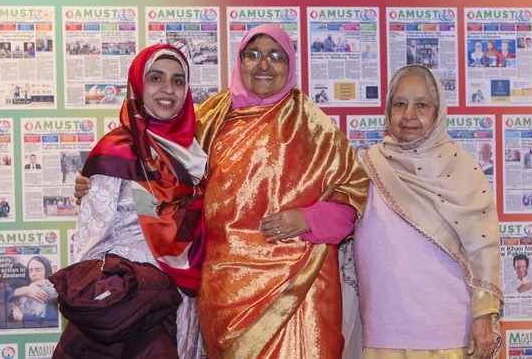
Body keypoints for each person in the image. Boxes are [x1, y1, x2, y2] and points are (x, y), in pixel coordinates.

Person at [74, 26, 369, 358]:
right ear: (239, 62)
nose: (263, 65)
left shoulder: (316, 128)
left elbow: (353, 191)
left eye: (276, 56)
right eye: (253, 54)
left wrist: (309, 218)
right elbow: (164, 163)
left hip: (296, 287)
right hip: (219, 287)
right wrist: (98, 179)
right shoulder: (212, 116)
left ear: (291, 66)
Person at [65, 44, 207, 359]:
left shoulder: (197, 154)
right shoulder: (116, 151)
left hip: (186, 304)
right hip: (133, 308)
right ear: (139, 86)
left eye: (178, 80)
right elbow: (90, 245)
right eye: (156, 78)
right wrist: (99, 305)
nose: (168, 89)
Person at [354, 65, 503, 359]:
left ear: (437, 112)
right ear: (388, 110)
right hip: (384, 335)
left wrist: (484, 315)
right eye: (400, 104)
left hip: (447, 337)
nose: (409, 114)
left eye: (421, 105)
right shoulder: (366, 167)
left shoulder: (462, 170)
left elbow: (483, 248)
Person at [9, 256, 58, 323]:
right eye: (30, 271)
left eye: (38, 270)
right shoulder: (23, 285)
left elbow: (52, 319)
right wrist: (26, 290)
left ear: (47, 271)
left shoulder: (53, 289)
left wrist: (23, 317)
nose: (33, 274)